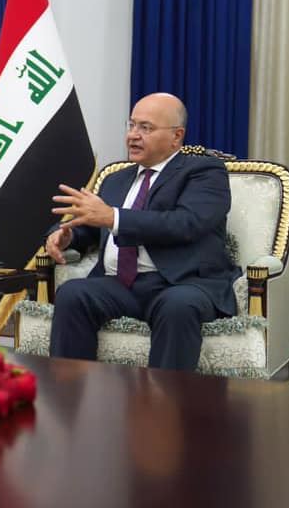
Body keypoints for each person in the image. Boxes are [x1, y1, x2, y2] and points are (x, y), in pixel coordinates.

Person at [45, 92, 240, 370]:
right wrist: (67, 236)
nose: (133, 136)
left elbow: (186, 223)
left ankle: (164, 398)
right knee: (73, 294)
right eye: (132, 125)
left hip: (181, 283)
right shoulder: (115, 179)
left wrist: (113, 217)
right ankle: (70, 392)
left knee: (178, 306)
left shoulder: (205, 172)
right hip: (120, 284)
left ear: (176, 136)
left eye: (146, 128)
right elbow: (92, 225)